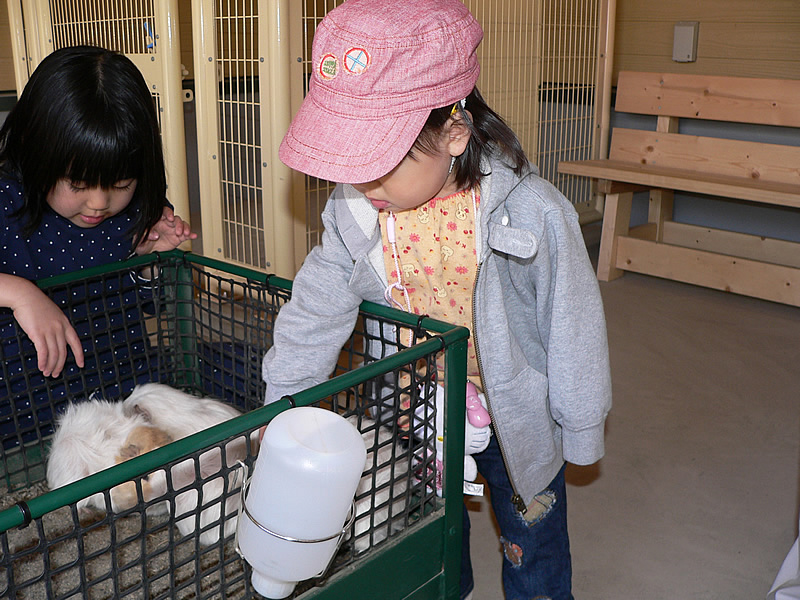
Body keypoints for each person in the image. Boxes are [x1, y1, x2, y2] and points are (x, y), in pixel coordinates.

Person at [261, 1, 612, 599]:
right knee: (428, 532)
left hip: (510, 415)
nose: (364, 182)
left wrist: (580, 424)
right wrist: (283, 406)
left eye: (383, 162)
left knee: (531, 538)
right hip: (413, 407)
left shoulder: (531, 213)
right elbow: (315, 309)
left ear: (454, 133)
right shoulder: (355, 213)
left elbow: (572, 323)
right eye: (353, 160)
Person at [0, 45, 196, 380]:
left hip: (122, 378)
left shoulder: (138, 206)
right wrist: (20, 294)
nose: (99, 203)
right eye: (77, 184)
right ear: (35, 151)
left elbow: (151, 305)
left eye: (121, 184)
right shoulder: (7, 200)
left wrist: (148, 261)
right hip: (27, 393)